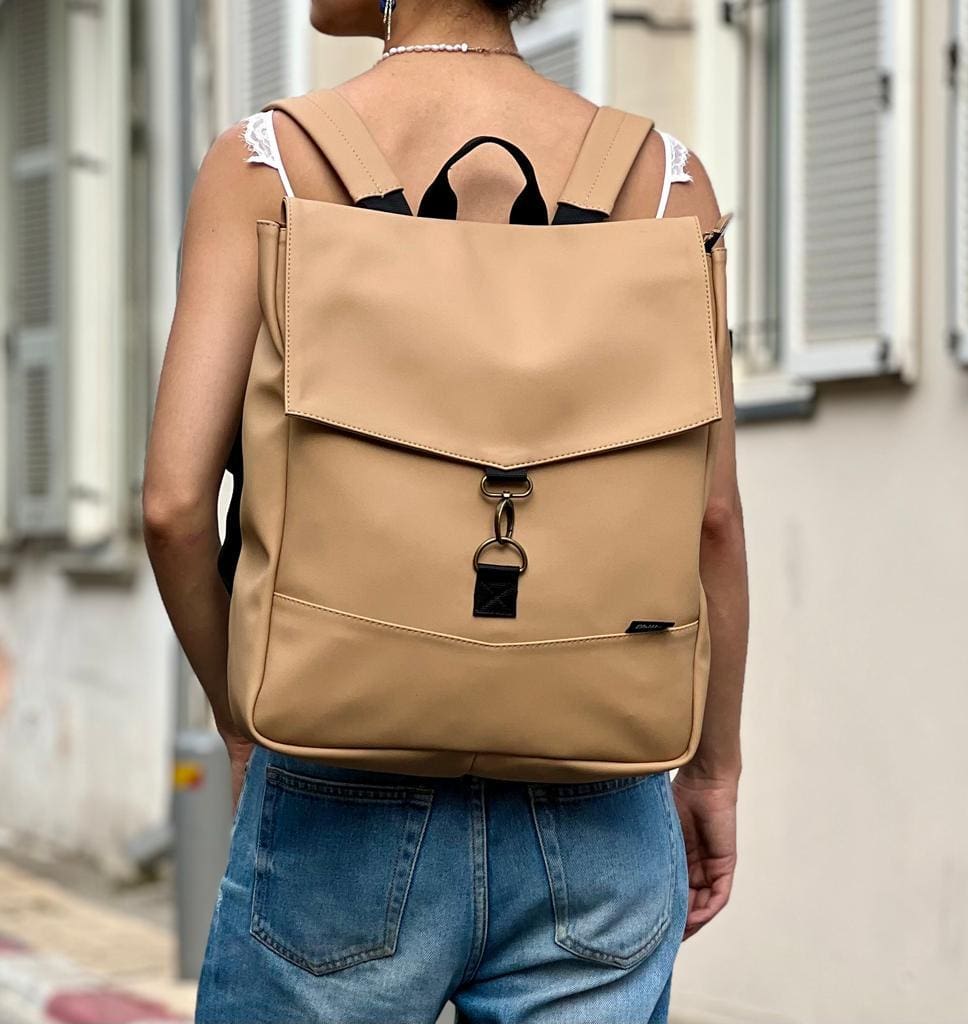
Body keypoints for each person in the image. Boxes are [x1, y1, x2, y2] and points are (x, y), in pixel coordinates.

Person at [143, 1, 749, 1020]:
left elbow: (172, 505)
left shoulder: (268, 165)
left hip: (338, 775)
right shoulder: (665, 183)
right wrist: (712, 767)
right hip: (598, 790)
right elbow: (713, 518)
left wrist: (243, 721)